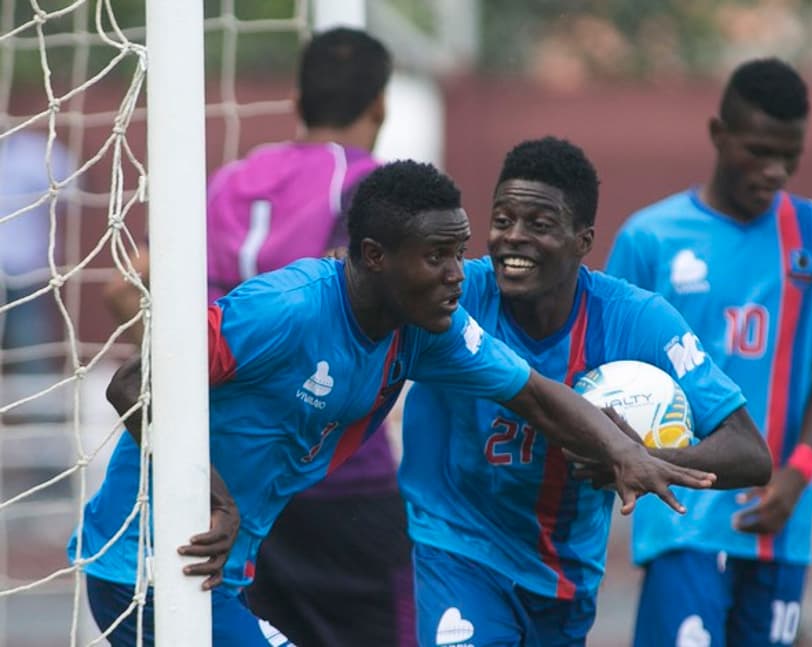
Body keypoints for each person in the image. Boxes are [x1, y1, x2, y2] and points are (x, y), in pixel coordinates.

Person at [71, 160, 717, 647]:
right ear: (376, 257)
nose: (457, 275)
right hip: (146, 565)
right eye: (436, 257)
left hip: (216, 570)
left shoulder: (427, 331)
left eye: (459, 253)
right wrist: (212, 493)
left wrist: (627, 452)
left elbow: (535, 395)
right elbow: (133, 382)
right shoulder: (286, 309)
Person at [102, 28, 415, 646]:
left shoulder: (230, 182)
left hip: (222, 477)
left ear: (297, 101)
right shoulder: (375, 189)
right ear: (380, 105)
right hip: (336, 483)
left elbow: (126, 287)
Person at [399, 137, 772, 646]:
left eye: (540, 225)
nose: (513, 238)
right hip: (459, 547)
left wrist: (641, 457)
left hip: (564, 572)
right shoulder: (457, 296)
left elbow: (751, 453)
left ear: (583, 239)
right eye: (503, 220)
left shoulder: (635, 321)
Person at [606, 58, 812, 646]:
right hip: (685, 522)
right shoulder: (650, 238)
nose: (775, 170)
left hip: (781, 522)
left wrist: (798, 475)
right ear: (719, 134)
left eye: (790, 156)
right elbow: (606, 370)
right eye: (759, 150)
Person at [0, 129, 74, 376]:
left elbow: (75, 189)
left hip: (26, 272)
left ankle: (42, 414)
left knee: (30, 348)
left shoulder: (37, 152)